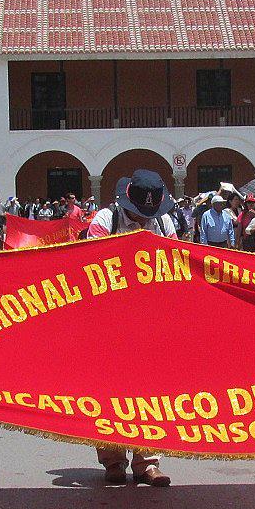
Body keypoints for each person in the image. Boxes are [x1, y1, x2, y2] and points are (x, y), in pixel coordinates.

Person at [85, 169, 179, 487]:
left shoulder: (165, 224)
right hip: (109, 321)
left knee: (150, 391)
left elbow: (177, 265)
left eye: (149, 214)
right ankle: (112, 460)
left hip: (151, 321)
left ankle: (147, 462)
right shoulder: (103, 223)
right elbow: (91, 269)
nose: (144, 220)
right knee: (111, 391)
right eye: (140, 213)